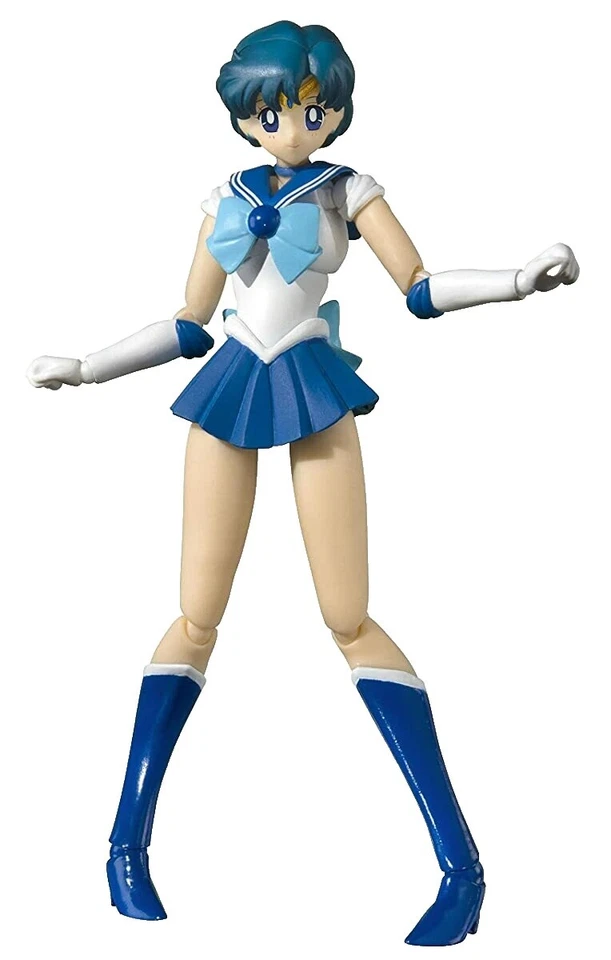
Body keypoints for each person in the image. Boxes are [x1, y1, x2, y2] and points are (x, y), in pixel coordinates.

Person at [26, 20, 579, 947]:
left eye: (313, 111)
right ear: (247, 116)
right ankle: (125, 844)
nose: (293, 128)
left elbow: (418, 286)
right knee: (195, 616)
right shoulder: (224, 196)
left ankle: (460, 864)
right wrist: (88, 367)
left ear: (336, 114)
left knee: (347, 615)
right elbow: (188, 321)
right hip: (231, 383)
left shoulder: (349, 189)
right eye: (276, 113)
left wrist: (514, 282)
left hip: (314, 386)